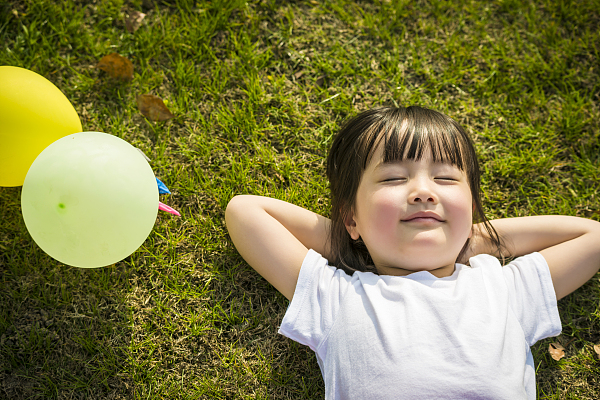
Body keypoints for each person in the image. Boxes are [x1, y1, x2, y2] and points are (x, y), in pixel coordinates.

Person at [225, 106, 600, 399]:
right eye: (393, 178)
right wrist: (354, 240)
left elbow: (592, 237)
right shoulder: (338, 297)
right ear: (351, 217)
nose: (423, 191)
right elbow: (246, 212)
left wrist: (473, 239)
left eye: (446, 178)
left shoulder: (503, 289)